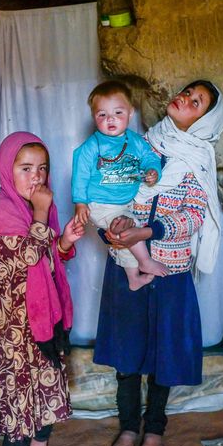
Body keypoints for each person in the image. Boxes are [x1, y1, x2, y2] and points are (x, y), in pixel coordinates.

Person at [93, 80, 223, 446]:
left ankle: (154, 429)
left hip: (169, 269)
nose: (184, 98)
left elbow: (193, 216)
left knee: (164, 351)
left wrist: (149, 231)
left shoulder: (199, 160)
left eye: (195, 101)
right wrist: (110, 232)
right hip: (125, 262)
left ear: (204, 120)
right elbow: (109, 192)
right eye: (187, 92)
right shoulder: (138, 145)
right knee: (127, 350)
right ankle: (129, 426)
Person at [0, 131, 85, 446]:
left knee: (48, 378)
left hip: (43, 317)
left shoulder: (39, 209)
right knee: (20, 386)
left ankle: (38, 445)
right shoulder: (2, 213)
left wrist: (66, 241)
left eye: (42, 168)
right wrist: (41, 215)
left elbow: (48, 259)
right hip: (17, 325)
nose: (36, 177)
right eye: (25, 168)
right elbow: (26, 261)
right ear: (7, 171)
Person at [72, 80, 168, 291]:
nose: (110, 119)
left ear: (130, 113)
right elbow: (80, 175)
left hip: (124, 203)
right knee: (127, 227)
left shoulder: (135, 141)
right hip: (100, 203)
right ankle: (145, 262)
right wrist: (80, 203)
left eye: (118, 112)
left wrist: (154, 171)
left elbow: (150, 159)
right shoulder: (92, 146)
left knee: (123, 237)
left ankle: (133, 277)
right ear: (94, 117)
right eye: (102, 115)